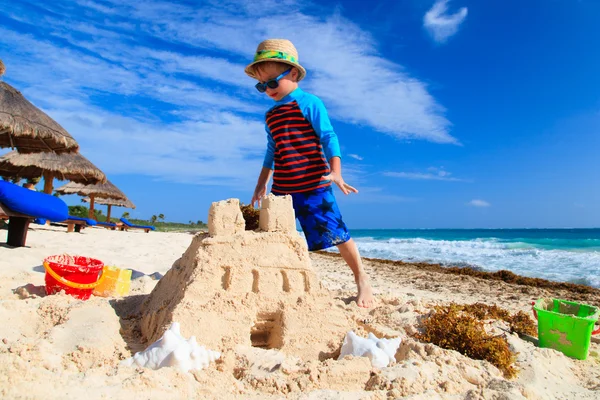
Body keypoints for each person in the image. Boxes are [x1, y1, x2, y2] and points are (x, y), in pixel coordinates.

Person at [246, 39, 374, 308]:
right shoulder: (270, 115)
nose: (267, 90)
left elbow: (328, 136)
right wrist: (261, 185)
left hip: (315, 182)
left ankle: (361, 278)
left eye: (272, 82)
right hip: (283, 187)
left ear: (293, 74)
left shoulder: (310, 103)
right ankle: (281, 282)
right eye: (262, 86)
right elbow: (272, 151)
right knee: (278, 235)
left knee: (336, 232)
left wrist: (336, 171)